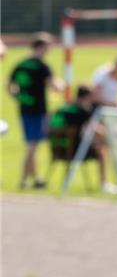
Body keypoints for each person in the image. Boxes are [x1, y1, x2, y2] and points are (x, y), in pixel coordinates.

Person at [7, 34, 65, 189]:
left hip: (24, 108)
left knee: (31, 142)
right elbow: (54, 86)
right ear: (42, 47)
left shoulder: (21, 64)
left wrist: (19, 97)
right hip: (38, 109)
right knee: (33, 144)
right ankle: (23, 179)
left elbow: (9, 86)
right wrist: (61, 85)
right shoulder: (42, 66)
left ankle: (37, 179)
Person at [49, 85, 108, 185]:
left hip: (57, 150)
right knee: (102, 150)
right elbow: (95, 129)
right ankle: (103, 182)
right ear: (86, 97)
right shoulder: (82, 111)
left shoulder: (62, 109)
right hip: (75, 151)